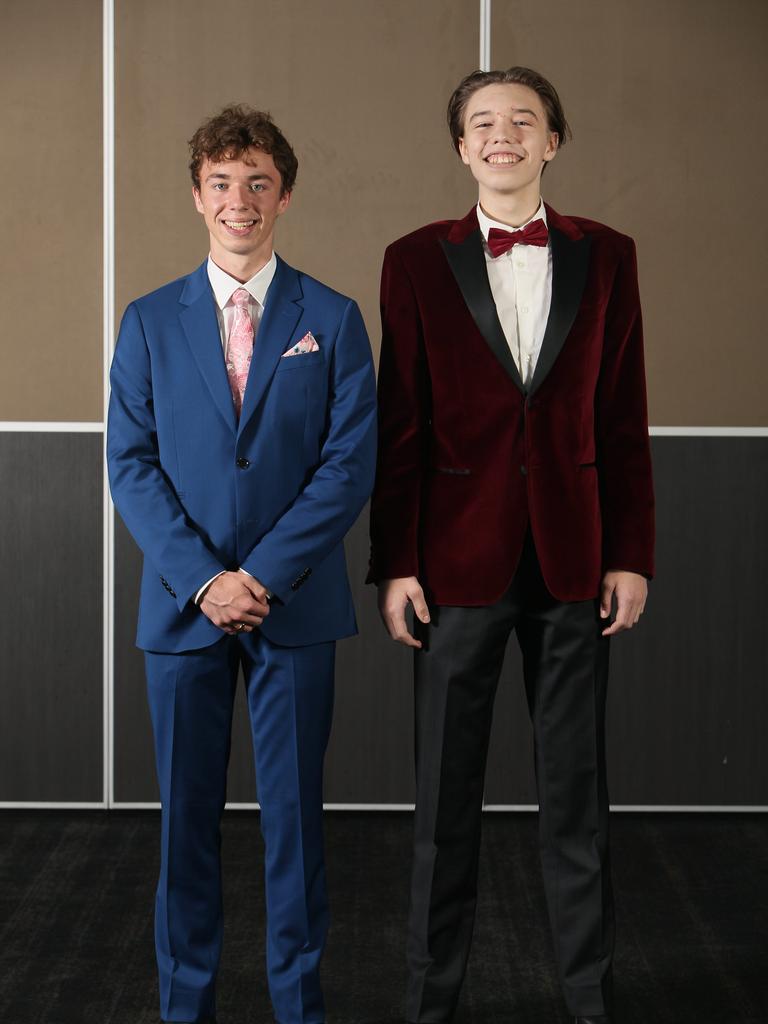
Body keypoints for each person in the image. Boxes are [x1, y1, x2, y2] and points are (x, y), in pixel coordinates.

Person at [368, 67, 654, 1024]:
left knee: (577, 802)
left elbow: (623, 419)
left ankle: (589, 999)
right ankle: (430, 1001)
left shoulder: (609, 255)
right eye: (483, 123)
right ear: (461, 147)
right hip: (453, 566)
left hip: (576, 562)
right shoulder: (412, 260)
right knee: (443, 812)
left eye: (522, 121)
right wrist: (396, 564)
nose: (503, 137)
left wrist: (632, 554)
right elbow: (399, 423)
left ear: (552, 141)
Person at [108, 104, 376, 1024]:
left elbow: (348, 467)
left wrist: (259, 577)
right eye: (221, 183)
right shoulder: (146, 321)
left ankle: (298, 1004)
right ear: (196, 197)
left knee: (295, 826)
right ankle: (186, 1007)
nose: (240, 200)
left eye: (258, 182)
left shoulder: (332, 320)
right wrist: (207, 580)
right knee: (186, 825)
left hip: (294, 608)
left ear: (285, 196)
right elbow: (130, 466)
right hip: (185, 612)